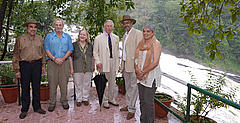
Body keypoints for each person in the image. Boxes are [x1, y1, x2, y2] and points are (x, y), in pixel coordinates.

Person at [12, 19, 46, 119]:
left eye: (35, 27)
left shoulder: (40, 39)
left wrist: (43, 65)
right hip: (24, 65)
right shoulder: (20, 39)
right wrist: (17, 70)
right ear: (27, 28)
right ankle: (24, 109)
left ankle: (37, 107)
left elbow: (43, 53)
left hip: (37, 64)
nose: (33, 29)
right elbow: (16, 55)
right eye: (31, 27)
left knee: (36, 87)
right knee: (25, 88)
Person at [44, 18, 74, 112]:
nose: (58, 27)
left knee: (64, 83)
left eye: (60, 25)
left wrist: (63, 58)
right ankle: (52, 103)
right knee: (52, 83)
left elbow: (70, 50)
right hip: (52, 63)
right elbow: (47, 49)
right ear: (54, 26)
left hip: (64, 63)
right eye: (56, 25)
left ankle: (64, 101)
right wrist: (54, 58)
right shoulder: (49, 36)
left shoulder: (67, 37)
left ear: (63, 26)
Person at [134, 24, 162, 123]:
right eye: (144, 31)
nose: (145, 33)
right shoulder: (141, 43)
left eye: (148, 31)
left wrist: (143, 72)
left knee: (148, 102)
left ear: (152, 33)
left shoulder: (156, 44)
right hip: (140, 76)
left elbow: (155, 62)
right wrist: (137, 69)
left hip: (150, 76)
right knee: (142, 101)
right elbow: (136, 58)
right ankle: (143, 120)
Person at [119, 15, 143, 120]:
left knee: (134, 88)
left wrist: (138, 67)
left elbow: (140, 51)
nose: (126, 25)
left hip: (134, 66)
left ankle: (132, 110)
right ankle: (129, 105)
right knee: (128, 87)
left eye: (128, 22)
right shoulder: (124, 35)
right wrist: (121, 65)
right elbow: (124, 52)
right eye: (124, 23)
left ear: (132, 23)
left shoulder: (137, 34)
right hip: (126, 65)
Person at [93, 20, 119, 109]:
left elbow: (117, 52)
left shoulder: (116, 38)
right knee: (103, 82)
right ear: (104, 27)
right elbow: (95, 52)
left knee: (112, 82)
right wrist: (98, 62)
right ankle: (104, 100)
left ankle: (111, 98)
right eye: (107, 26)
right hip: (103, 63)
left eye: (110, 26)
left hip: (113, 62)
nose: (109, 28)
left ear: (113, 27)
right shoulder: (98, 38)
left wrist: (118, 64)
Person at [69, 29, 94, 107]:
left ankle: (85, 98)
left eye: (84, 35)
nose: (82, 36)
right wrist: (71, 69)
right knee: (78, 84)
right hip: (77, 68)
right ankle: (79, 99)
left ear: (87, 36)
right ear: (78, 35)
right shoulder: (74, 45)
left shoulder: (90, 45)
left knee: (86, 84)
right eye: (81, 34)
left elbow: (93, 56)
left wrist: (93, 66)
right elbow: (70, 57)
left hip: (88, 68)